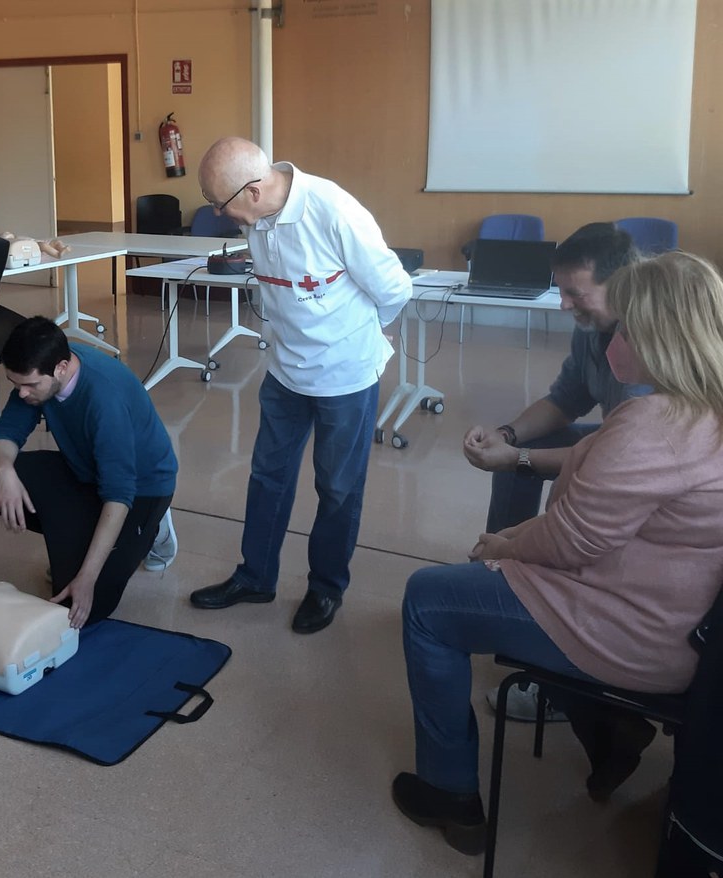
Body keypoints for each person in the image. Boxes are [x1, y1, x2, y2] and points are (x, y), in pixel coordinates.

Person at [393, 251, 723, 856]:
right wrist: (517, 468)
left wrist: (504, 546)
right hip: (680, 613)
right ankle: (609, 727)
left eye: (625, 328)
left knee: (428, 601)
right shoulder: (703, 406)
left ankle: (449, 792)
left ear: (658, 334)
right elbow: (595, 483)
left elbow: (571, 543)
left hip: (637, 627)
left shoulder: (658, 423)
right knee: (493, 575)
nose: (614, 339)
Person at [188, 137, 412, 633]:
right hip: (285, 371)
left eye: (219, 204)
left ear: (251, 191)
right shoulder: (256, 216)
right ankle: (256, 577)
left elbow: (395, 287)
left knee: (337, 487)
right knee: (268, 476)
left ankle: (326, 587)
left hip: (346, 377)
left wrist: (364, 334)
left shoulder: (334, 211)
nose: (218, 214)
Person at [462, 222, 646, 721]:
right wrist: (509, 436)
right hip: (617, 448)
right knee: (524, 452)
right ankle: (498, 576)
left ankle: (554, 643)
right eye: (560, 290)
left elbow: (615, 459)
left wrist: (516, 459)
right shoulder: (596, 329)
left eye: (574, 293)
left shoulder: (650, 345)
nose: (563, 305)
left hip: (629, 465)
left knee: (539, 471)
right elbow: (566, 399)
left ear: (622, 284)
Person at [0, 317, 177, 629]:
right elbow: (6, 432)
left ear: (61, 369)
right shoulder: (41, 368)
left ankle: (152, 529)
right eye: (15, 384)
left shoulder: (104, 399)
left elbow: (119, 493)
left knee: (80, 607)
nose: (22, 393)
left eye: (30, 385)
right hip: (85, 472)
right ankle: (77, 535)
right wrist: (6, 472)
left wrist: (87, 577)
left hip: (141, 488)